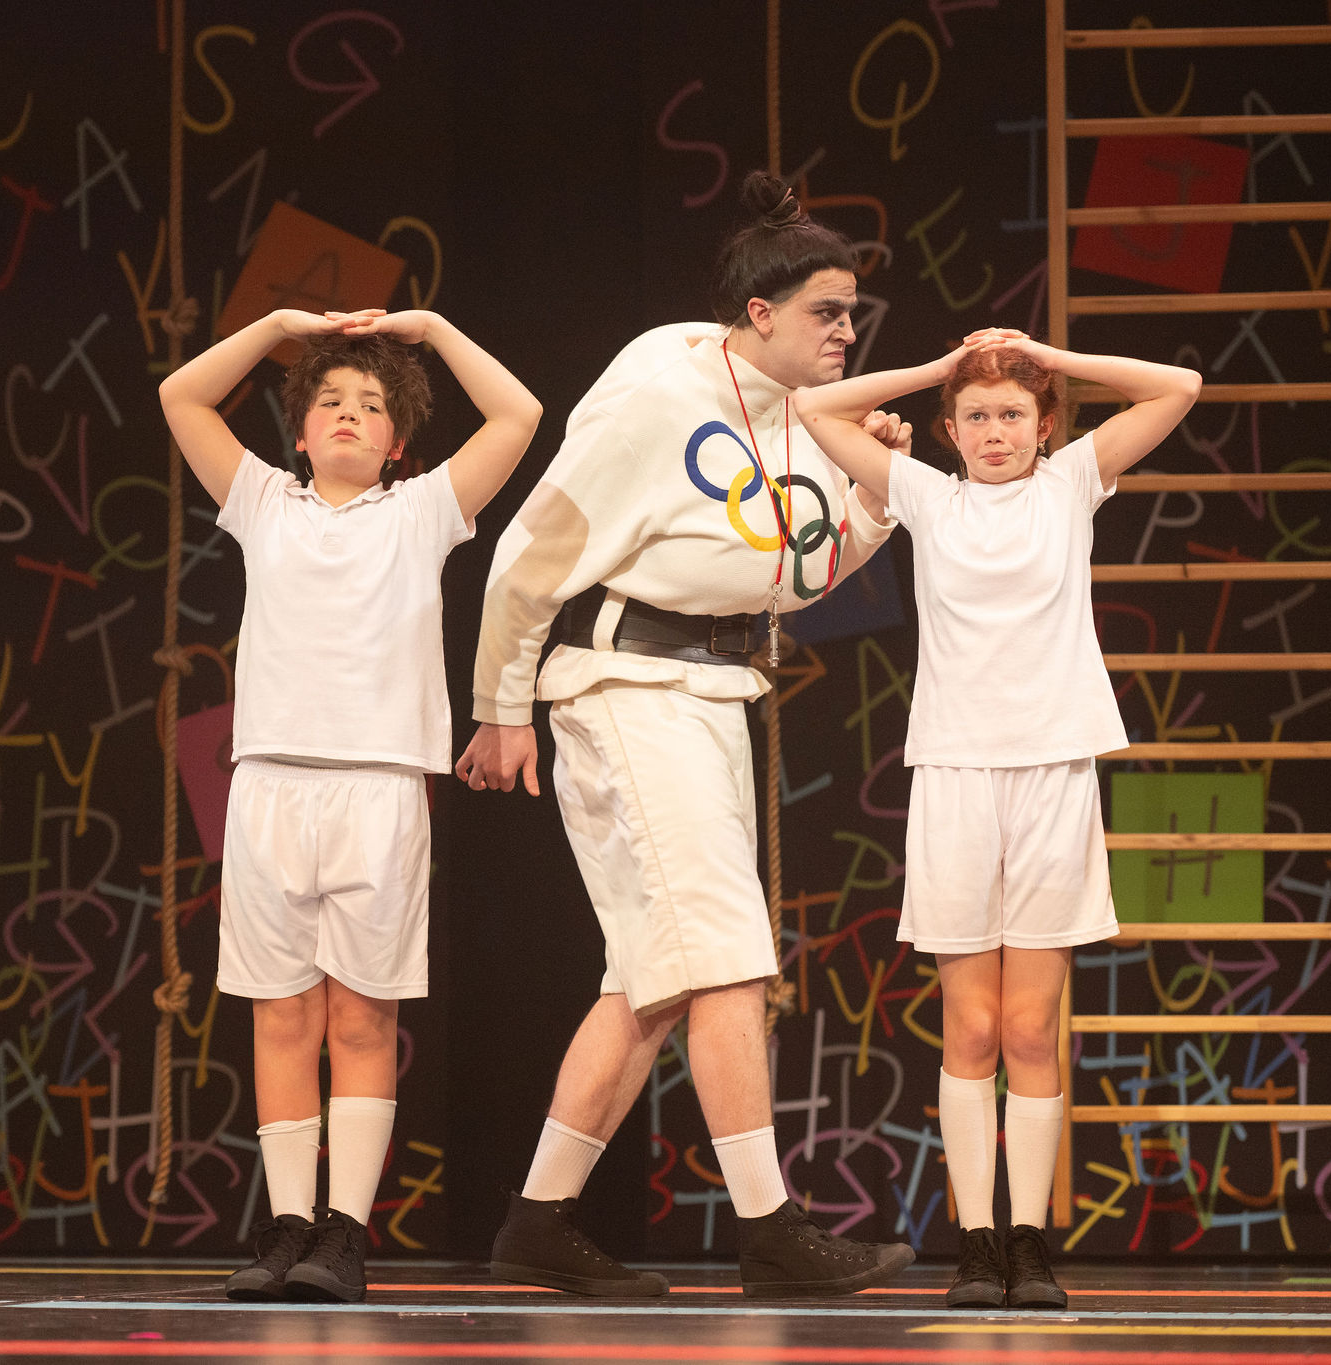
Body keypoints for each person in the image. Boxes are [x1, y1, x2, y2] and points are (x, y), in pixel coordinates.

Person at [457, 172, 915, 1297]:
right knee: (725, 960)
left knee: (653, 982)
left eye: (850, 312)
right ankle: (769, 1226)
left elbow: (792, 577)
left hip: (711, 692)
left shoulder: (805, 417)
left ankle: (538, 1217)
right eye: (825, 311)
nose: (845, 330)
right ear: (759, 312)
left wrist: (874, 500)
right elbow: (531, 550)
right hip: (627, 684)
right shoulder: (662, 386)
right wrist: (499, 706)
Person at [793, 330, 1200, 1309]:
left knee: (1028, 1029)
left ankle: (1029, 1242)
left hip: (1053, 771)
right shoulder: (928, 495)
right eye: (973, 416)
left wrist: (1043, 352)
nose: (993, 431)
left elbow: (1177, 385)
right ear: (949, 428)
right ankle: (975, 1244)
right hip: (955, 774)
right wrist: (940, 369)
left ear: (1043, 423)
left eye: (1011, 413)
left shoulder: (1069, 483)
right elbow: (812, 408)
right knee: (969, 1027)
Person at [159, 306, 540, 1302]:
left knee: (362, 1019)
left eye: (370, 406)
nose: (347, 414)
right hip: (270, 783)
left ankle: (345, 1233)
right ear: (299, 430)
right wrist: (277, 326)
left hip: (379, 783)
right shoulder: (262, 500)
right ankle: (287, 1223)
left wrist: (435, 329)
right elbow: (181, 396)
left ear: (396, 442)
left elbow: (518, 415)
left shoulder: (422, 511)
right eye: (328, 400)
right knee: (281, 1015)